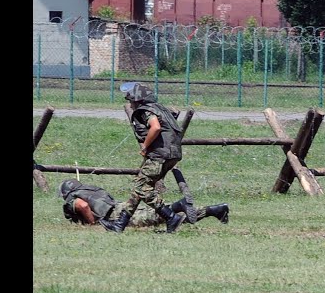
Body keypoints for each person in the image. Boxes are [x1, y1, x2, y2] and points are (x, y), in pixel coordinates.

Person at [103, 82, 187, 233]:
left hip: (159, 156)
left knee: (141, 188)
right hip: (171, 155)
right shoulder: (160, 108)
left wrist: (145, 146)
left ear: (137, 100)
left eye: (130, 101)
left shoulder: (145, 111)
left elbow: (155, 127)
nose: (130, 103)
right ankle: (119, 225)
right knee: (138, 189)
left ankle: (171, 217)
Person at [60, 175, 230, 230]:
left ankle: (179, 205)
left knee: (158, 217)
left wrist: (92, 223)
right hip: (122, 206)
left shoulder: (73, 199)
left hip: (116, 215)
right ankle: (214, 210)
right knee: (170, 219)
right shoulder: (90, 188)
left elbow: (82, 206)